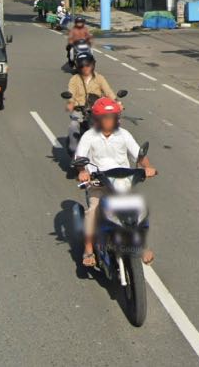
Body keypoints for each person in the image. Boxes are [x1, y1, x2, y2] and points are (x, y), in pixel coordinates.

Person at [75, 97, 156, 268]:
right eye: (105, 117)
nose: (109, 121)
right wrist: (83, 172)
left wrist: (148, 168)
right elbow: (80, 158)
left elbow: (139, 156)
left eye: (112, 117)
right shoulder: (89, 136)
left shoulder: (124, 135)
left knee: (138, 209)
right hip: (99, 183)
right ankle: (88, 249)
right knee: (92, 211)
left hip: (123, 183)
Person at [64, 53, 117, 153]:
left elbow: (108, 91)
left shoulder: (99, 78)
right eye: (82, 66)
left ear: (93, 65)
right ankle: (75, 154)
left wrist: (117, 102)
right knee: (73, 126)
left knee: (109, 127)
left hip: (97, 110)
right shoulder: (74, 79)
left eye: (88, 65)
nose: (85, 68)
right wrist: (71, 103)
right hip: (79, 111)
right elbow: (71, 93)